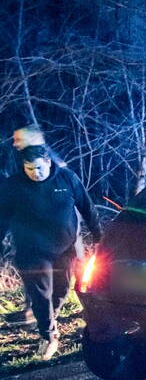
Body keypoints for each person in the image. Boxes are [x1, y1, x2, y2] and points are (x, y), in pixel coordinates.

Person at [0, 146, 103, 360]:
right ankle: (48, 336)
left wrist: (99, 237)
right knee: (41, 294)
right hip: (32, 251)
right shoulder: (13, 186)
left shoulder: (66, 178)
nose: (35, 173)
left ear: (48, 163)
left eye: (39, 168)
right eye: (29, 169)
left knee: (62, 290)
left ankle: (50, 319)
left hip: (65, 249)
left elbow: (87, 206)